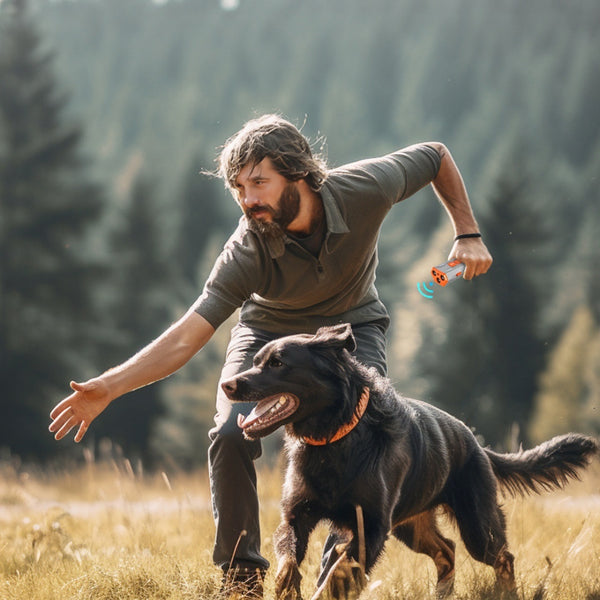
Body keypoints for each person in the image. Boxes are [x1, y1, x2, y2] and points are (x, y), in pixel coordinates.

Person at [49, 114, 492, 598]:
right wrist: (110, 387)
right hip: (267, 335)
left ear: (298, 173)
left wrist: (466, 232)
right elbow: (185, 337)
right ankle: (242, 579)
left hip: (350, 332)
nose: (248, 199)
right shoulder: (248, 247)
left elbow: (435, 156)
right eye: (238, 187)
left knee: (363, 432)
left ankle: (335, 579)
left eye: (259, 182)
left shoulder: (364, 189)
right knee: (229, 432)